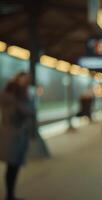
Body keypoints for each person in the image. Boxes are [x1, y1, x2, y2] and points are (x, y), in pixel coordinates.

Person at [0, 72, 35, 200]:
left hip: (15, 135)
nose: (25, 82)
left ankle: (10, 195)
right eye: (23, 80)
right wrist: (29, 106)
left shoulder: (16, 95)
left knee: (13, 167)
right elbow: (22, 112)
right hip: (12, 136)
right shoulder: (12, 96)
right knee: (12, 167)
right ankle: (9, 196)